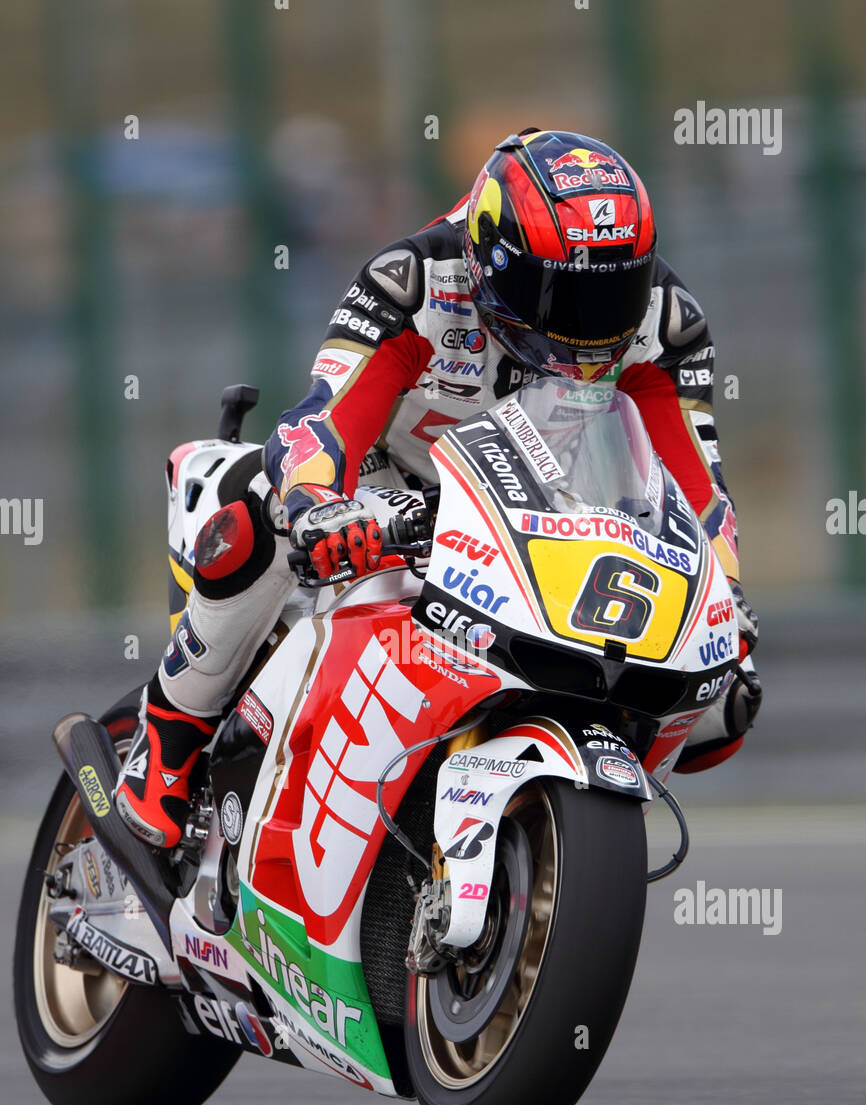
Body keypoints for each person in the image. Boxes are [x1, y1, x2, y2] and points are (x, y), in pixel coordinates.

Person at [116, 128, 760, 849]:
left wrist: (723, 591)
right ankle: (168, 736)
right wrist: (315, 505)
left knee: (722, 707)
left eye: (614, 291)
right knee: (258, 500)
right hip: (389, 491)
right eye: (565, 294)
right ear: (495, 259)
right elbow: (324, 421)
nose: (591, 325)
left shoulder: (666, 326)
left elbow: (699, 488)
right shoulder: (414, 283)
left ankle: (546, 828)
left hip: (556, 516)